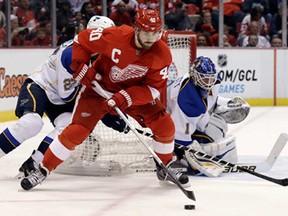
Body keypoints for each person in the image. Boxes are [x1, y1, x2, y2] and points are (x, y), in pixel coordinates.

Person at [21, 8, 190, 190]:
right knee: (77, 130)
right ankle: (43, 169)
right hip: (99, 89)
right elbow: (81, 40)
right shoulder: (116, 35)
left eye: (155, 33)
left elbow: (154, 89)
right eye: (146, 33)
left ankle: (165, 167)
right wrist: (81, 65)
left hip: (133, 94)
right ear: (136, 29)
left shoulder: (162, 54)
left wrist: (126, 97)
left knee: (164, 124)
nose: (151, 38)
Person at [0, 16, 124, 178]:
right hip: (40, 87)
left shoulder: (95, 55)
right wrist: (99, 109)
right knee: (32, 123)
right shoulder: (72, 55)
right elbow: (68, 96)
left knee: (68, 126)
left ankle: (34, 163)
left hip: (59, 96)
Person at [166, 56, 250, 177]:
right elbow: (180, 134)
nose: (209, 83)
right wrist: (191, 156)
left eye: (211, 79)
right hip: (172, 126)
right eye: (205, 79)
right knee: (214, 146)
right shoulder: (187, 98)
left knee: (219, 127)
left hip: (189, 121)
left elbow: (211, 100)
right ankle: (175, 157)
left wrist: (227, 103)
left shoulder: (207, 82)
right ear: (194, 76)